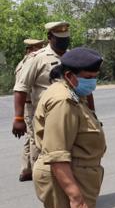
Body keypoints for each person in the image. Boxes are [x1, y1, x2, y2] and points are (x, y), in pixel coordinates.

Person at [32, 47, 106, 208]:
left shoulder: (70, 92)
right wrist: (76, 198)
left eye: (95, 76)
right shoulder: (63, 100)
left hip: (73, 175)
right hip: (66, 179)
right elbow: (57, 156)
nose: (92, 81)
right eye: (88, 77)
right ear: (70, 75)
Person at [13, 22, 81, 173]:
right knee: (45, 152)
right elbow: (21, 88)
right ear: (50, 37)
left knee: (70, 152)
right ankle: (44, 182)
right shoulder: (37, 59)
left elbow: (83, 87)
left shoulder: (72, 57)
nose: (64, 42)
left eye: (66, 39)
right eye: (60, 39)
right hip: (46, 116)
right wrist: (18, 118)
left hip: (71, 113)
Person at [14, 38, 45, 181]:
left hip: (31, 104)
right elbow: (22, 89)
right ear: (29, 50)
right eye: (37, 47)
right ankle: (36, 170)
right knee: (34, 138)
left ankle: (25, 170)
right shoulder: (27, 63)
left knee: (29, 136)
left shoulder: (25, 62)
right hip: (30, 105)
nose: (40, 49)